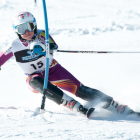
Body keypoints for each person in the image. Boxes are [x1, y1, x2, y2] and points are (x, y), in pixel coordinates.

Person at [0, 12, 139, 118]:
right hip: (34, 78)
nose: (27, 32)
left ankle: (118, 107)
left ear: (34, 25)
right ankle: (70, 103)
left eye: (29, 26)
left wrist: (43, 47)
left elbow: (53, 45)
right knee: (36, 80)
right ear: (16, 31)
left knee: (82, 90)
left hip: (53, 70)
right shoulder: (14, 45)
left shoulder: (42, 34)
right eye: (21, 29)